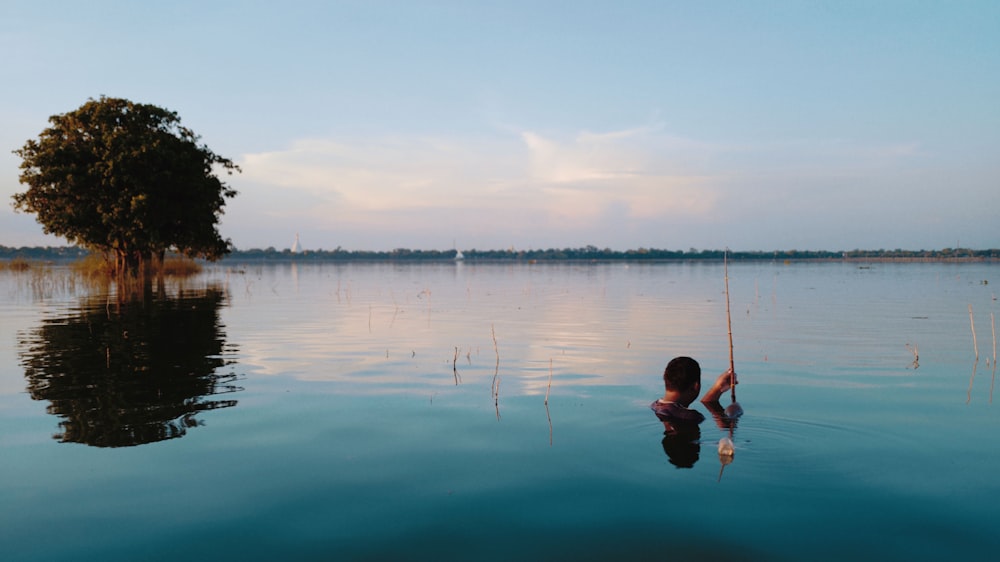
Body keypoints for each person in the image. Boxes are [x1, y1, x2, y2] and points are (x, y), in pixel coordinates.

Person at [651, 356, 740, 468]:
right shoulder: (692, 417)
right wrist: (732, 415)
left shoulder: (655, 406)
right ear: (696, 386)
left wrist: (718, 388)